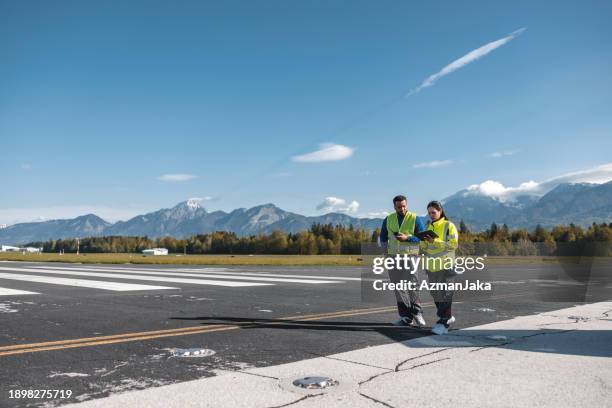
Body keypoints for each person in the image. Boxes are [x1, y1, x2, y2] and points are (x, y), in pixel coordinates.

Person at [380, 195, 427, 327]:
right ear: (394, 206)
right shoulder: (388, 219)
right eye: (399, 206)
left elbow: (422, 237)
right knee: (398, 287)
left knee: (413, 284)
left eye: (404, 206)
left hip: (411, 257)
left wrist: (407, 238)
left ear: (407, 204)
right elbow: (383, 238)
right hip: (393, 257)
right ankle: (405, 317)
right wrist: (386, 254)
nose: (402, 208)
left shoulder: (415, 218)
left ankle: (417, 313)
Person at [421, 200, 459, 335]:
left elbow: (453, 245)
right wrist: (423, 242)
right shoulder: (428, 227)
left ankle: (444, 321)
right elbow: (426, 248)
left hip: (446, 265)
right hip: (432, 266)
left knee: (445, 294)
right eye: (429, 213)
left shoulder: (449, 226)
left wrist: (435, 241)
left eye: (433, 212)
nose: (431, 215)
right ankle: (447, 316)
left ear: (440, 211)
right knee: (435, 293)